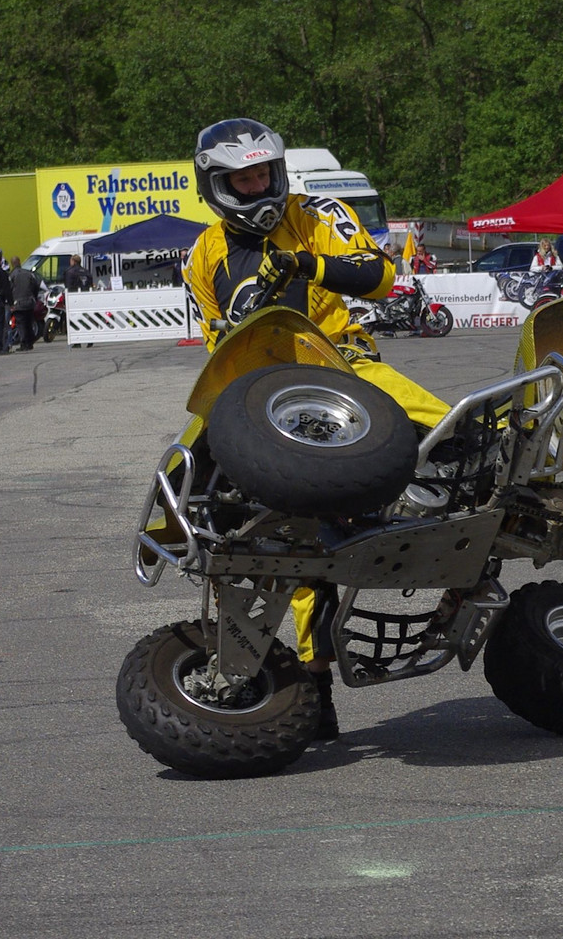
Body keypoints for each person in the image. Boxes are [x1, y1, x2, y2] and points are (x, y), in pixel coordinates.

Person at [184, 118, 453, 739]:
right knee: (274, 541)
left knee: (446, 427)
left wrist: (306, 263)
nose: (257, 187)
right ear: (217, 185)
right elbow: (213, 341)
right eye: (242, 180)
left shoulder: (316, 212)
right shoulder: (202, 254)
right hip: (266, 396)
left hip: (343, 360)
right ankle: (312, 687)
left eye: (263, 174)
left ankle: (467, 494)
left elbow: (382, 276)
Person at [7, 256, 42, 351]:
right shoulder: (28, 273)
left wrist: (10, 303)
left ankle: (24, 343)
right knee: (29, 322)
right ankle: (30, 343)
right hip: (29, 302)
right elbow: (36, 286)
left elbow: (9, 290)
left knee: (21, 323)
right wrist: (34, 297)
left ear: (12, 264)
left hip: (18, 303)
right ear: (19, 262)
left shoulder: (11, 275)